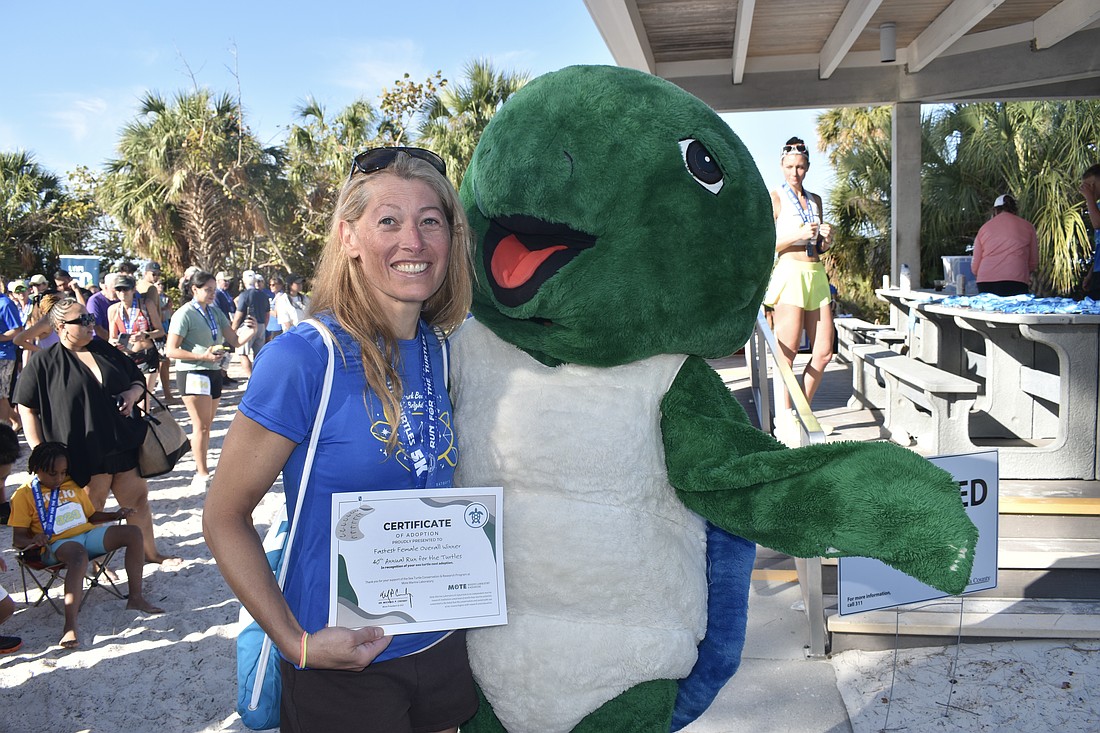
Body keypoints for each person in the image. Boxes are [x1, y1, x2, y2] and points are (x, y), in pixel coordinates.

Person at [203, 147, 476, 733]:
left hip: (441, 645)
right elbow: (223, 517)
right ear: (349, 237)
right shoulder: (303, 358)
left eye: (431, 221)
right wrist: (294, 642)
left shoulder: (444, 350)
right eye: (389, 221)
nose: (414, 240)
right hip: (343, 664)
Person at [13, 296, 178, 565]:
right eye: (83, 320)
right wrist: (39, 449)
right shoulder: (44, 363)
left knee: (138, 501)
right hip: (80, 449)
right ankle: (97, 564)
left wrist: (131, 394)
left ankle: (151, 553)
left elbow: (137, 380)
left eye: (90, 318)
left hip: (122, 441)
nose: (91, 324)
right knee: (91, 508)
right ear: (61, 326)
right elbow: (26, 408)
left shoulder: (105, 349)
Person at [9, 442, 163, 649]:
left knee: (133, 532)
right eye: (52, 473)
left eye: (63, 472)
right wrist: (33, 540)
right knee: (79, 555)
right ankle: (69, 625)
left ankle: (135, 597)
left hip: (86, 534)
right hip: (55, 545)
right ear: (36, 468)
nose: (59, 478)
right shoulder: (24, 494)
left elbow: (90, 515)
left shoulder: (71, 485)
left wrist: (114, 514)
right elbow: (17, 539)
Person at [762, 136, 834, 432]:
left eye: (801, 167)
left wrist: (826, 241)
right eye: (790, 166)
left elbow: (818, 245)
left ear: (807, 167)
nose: (795, 173)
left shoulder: (815, 199)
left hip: (816, 274)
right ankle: (786, 418)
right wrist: (798, 234)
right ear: (782, 166)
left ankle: (802, 413)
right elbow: (766, 245)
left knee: (824, 352)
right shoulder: (776, 197)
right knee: (787, 353)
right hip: (790, 273)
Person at [165, 271, 255, 491]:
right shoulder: (184, 313)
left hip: (213, 371)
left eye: (214, 289)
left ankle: (203, 469)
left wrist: (250, 332)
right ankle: (201, 473)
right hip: (193, 371)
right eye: (208, 289)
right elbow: (170, 350)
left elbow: (233, 340)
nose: (213, 293)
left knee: (207, 426)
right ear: (194, 290)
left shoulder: (215, 311)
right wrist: (201, 356)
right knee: (201, 426)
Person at [107, 274, 165, 402]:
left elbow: (160, 331)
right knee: (130, 399)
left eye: (125, 289)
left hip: (147, 356)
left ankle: (145, 421)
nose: (122, 293)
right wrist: (115, 343)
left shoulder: (146, 304)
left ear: (133, 290)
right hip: (126, 358)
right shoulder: (113, 310)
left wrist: (145, 335)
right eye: (119, 289)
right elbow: (111, 338)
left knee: (144, 399)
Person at [971, 193, 1039, 297]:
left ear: (995, 210)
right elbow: (1033, 262)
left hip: (985, 281)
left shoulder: (984, 228)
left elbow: (975, 266)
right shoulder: (1028, 227)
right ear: (1015, 209)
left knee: (989, 312)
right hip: (1016, 280)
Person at [231, 270, 269, 377]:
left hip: (248, 325)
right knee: (259, 354)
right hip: (261, 325)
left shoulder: (245, 295)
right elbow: (267, 314)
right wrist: (264, 327)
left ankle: (250, 378)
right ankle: (259, 377)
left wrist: (232, 329)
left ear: (244, 281)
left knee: (242, 353)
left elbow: (239, 315)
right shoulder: (263, 295)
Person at [0, 285, 24, 429]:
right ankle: (17, 421)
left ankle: (3, 431)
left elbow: (17, 330)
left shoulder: (5, 303)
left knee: (1, 395)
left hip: (4, 355)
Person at [1080, 163, 1100, 300]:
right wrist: (1090, 273)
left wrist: (1089, 198)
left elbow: (1098, 224)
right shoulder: (1097, 207)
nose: (1090, 189)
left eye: (1091, 184)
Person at [265, 274, 284, 341]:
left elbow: (276, 314)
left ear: (280, 285)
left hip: (276, 328)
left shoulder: (280, 297)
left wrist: (266, 310)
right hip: (271, 327)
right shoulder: (275, 296)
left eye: (273, 285)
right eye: (270, 285)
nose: (271, 287)